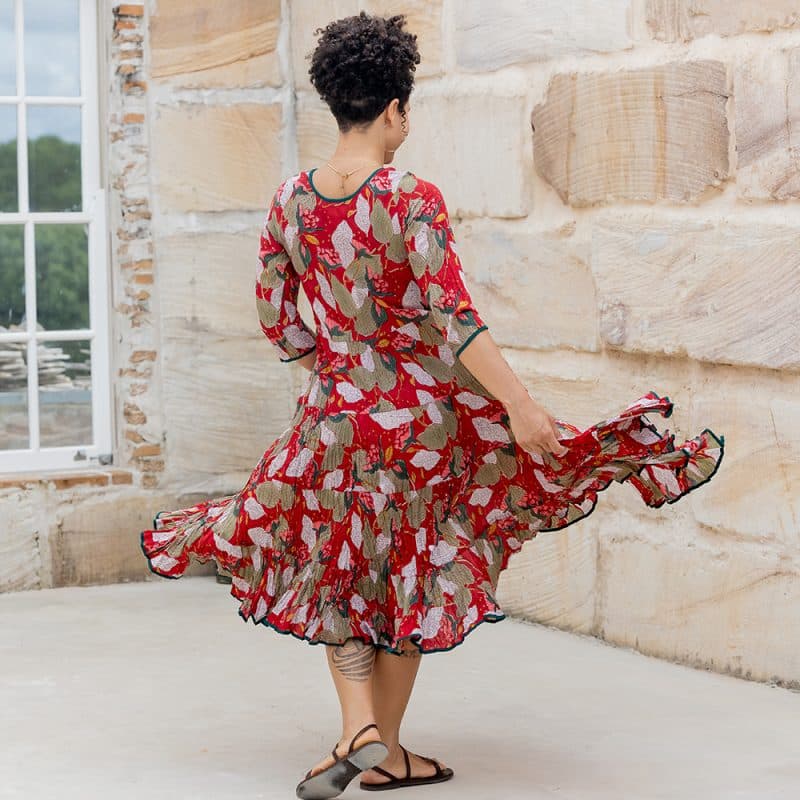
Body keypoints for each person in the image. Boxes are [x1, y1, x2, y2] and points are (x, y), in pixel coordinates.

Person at [140, 11, 725, 800]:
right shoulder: (410, 196)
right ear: (394, 110)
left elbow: (279, 323)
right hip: (421, 428)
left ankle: (361, 732)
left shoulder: (288, 204)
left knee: (341, 567)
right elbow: (454, 320)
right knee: (413, 571)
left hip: (334, 421)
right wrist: (518, 405)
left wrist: (341, 370)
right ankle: (380, 750)